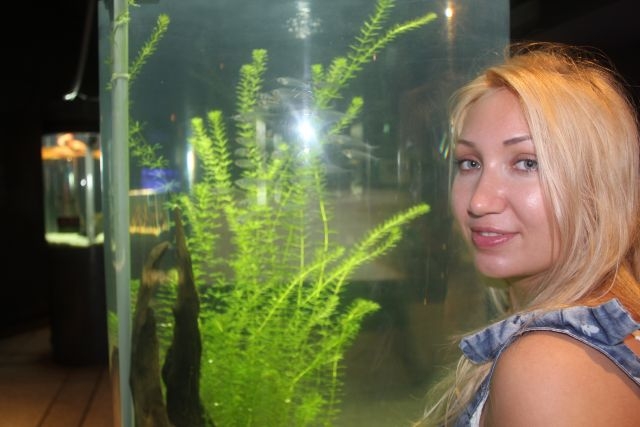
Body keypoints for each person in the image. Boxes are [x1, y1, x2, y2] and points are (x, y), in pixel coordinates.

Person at [413, 42, 640, 426]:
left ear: (597, 186)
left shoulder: (550, 366)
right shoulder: (608, 327)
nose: (479, 201)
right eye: (470, 163)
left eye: (527, 163)